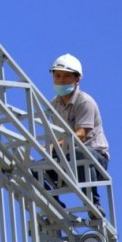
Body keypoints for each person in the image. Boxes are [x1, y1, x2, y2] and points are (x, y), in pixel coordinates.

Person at [47, 53, 110, 216]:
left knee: (81, 153)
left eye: (66, 77)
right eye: (58, 75)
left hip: (95, 157)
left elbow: (81, 135)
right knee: (36, 170)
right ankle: (54, 205)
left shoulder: (85, 102)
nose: (60, 80)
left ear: (77, 80)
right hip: (67, 156)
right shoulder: (53, 105)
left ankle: (93, 202)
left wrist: (54, 146)